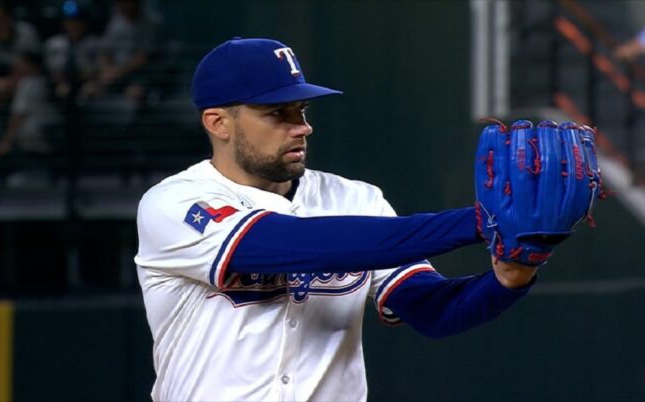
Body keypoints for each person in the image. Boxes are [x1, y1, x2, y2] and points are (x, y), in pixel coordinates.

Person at [134, 38, 538, 401]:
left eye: (302, 109)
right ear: (218, 122)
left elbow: (432, 311)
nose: (302, 126)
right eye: (278, 113)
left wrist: (507, 281)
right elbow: (303, 245)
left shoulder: (355, 199)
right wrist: (481, 221)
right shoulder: (175, 204)